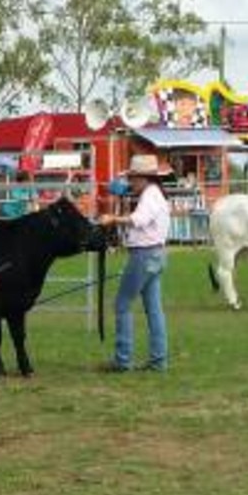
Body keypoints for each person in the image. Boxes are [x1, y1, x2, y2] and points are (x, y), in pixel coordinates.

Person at [99, 154, 172, 371]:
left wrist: (112, 219)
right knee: (154, 309)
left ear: (142, 177)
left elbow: (138, 220)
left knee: (122, 304)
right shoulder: (155, 194)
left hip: (144, 255)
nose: (130, 183)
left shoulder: (150, 195)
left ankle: (123, 360)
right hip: (156, 254)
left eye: (132, 178)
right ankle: (158, 360)